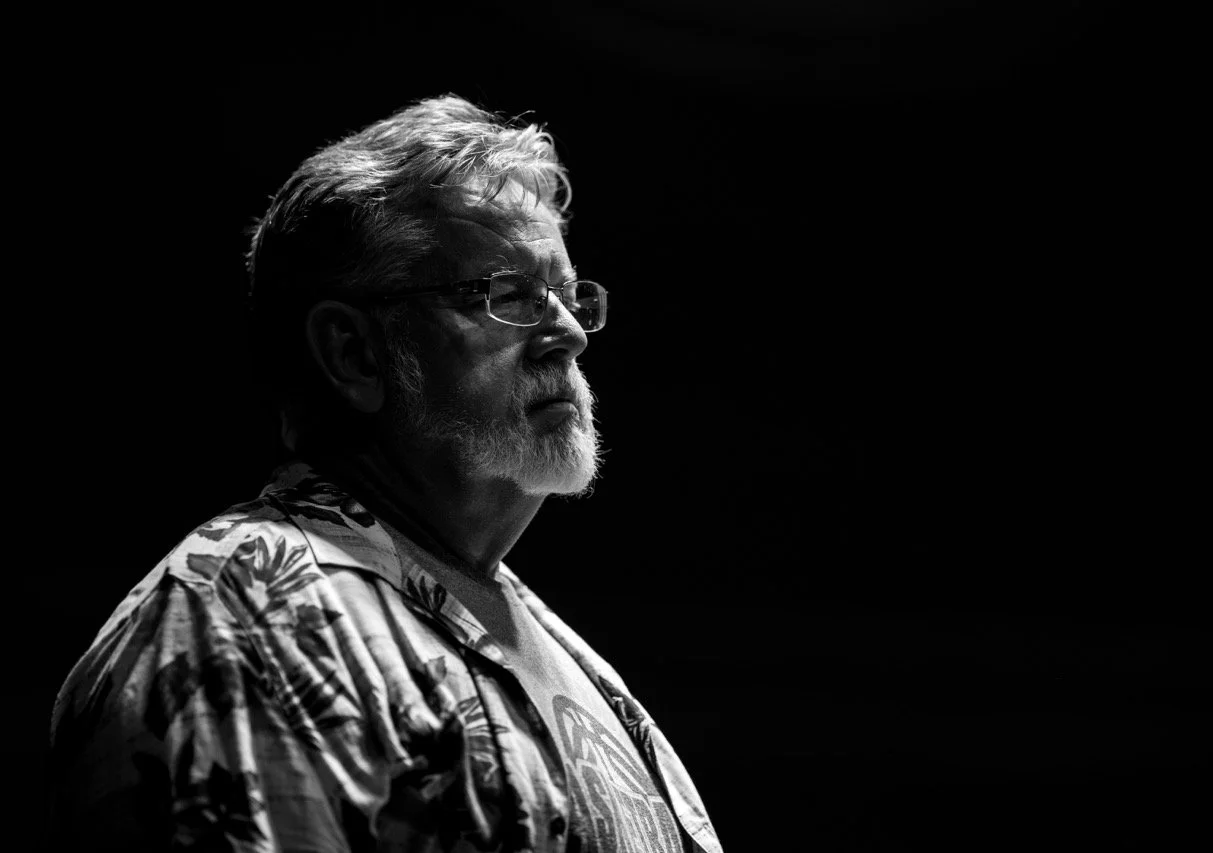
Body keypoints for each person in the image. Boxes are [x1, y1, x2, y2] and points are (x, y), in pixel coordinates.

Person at [48, 95, 721, 853]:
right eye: (507, 294)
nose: (566, 334)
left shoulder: (579, 664)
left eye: (568, 296)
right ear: (354, 353)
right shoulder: (242, 613)